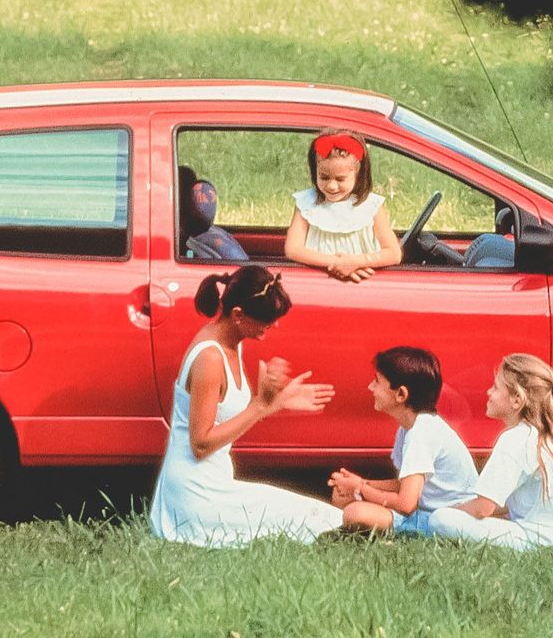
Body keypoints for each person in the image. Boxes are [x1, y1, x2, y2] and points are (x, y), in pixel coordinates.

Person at [149, 265, 343, 547]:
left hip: (216, 483)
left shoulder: (231, 340)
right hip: (196, 496)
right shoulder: (210, 359)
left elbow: (227, 416)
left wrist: (277, 402)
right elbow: (200, 444)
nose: (273, 326)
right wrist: (260, 407)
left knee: (319, 515)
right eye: (266, 320)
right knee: (319, 519)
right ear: (238, 315)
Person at [428, 353, 553, 550]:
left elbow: (483, 508)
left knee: (440, 519)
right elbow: (504, 505)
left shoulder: (516, 439)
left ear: (517, 399)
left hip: (538, 540)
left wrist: (453, 509)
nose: (489, 392)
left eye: (496, 387)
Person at [328, 346, 477, 536]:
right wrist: (362, 482)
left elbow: (406, 505)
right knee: (344, 500)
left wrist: (359, 488)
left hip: (445, 518)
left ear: (401, 394)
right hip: (427, 510)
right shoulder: (410, 427)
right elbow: (405, 485)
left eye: (377, 381)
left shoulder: (421, 433)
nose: (370, 387)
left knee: (355, 512)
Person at [284, 129, 402, 282]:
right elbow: (293, 249)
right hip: (317, 283)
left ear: (358, 175)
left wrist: (356, 262)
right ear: (315, 171)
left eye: (340, 179)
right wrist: (336, 263)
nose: (332, 186)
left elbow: (394, 253)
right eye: (324, 177)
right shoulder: (306, 204)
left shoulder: (371, 206)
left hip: (364, 286)